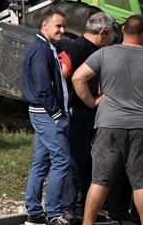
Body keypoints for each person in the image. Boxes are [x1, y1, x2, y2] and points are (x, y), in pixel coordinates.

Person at [72, 14, 143, 225]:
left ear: (123, 32)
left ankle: (87, 223)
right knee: (142, 184)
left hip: (108, 125)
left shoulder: (104, 54)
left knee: (99, 181)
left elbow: (77, 77)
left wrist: (92, 102)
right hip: (142, 127)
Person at [58, 12, 115, 220]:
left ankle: (83, 208)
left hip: (89, 113)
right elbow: (64, 72)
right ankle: (69, 207)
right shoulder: (79, 47)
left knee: (89, 161)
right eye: (110, 35)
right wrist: (90, 100)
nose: (110, 39)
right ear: (102, 32)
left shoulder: (93, 49)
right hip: (78, 112)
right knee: (75, 160)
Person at [22, 9, 74, 225]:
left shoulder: (46, 47)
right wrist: (57, 115)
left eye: (63, 26)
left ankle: (34, 212)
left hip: (43, 113)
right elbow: (43, 89)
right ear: (45, 26)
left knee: (41, 162)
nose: (62, 30)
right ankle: (53, 213)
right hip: (46, 114)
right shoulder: (41, 50)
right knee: (61, 160)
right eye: (58, 26)